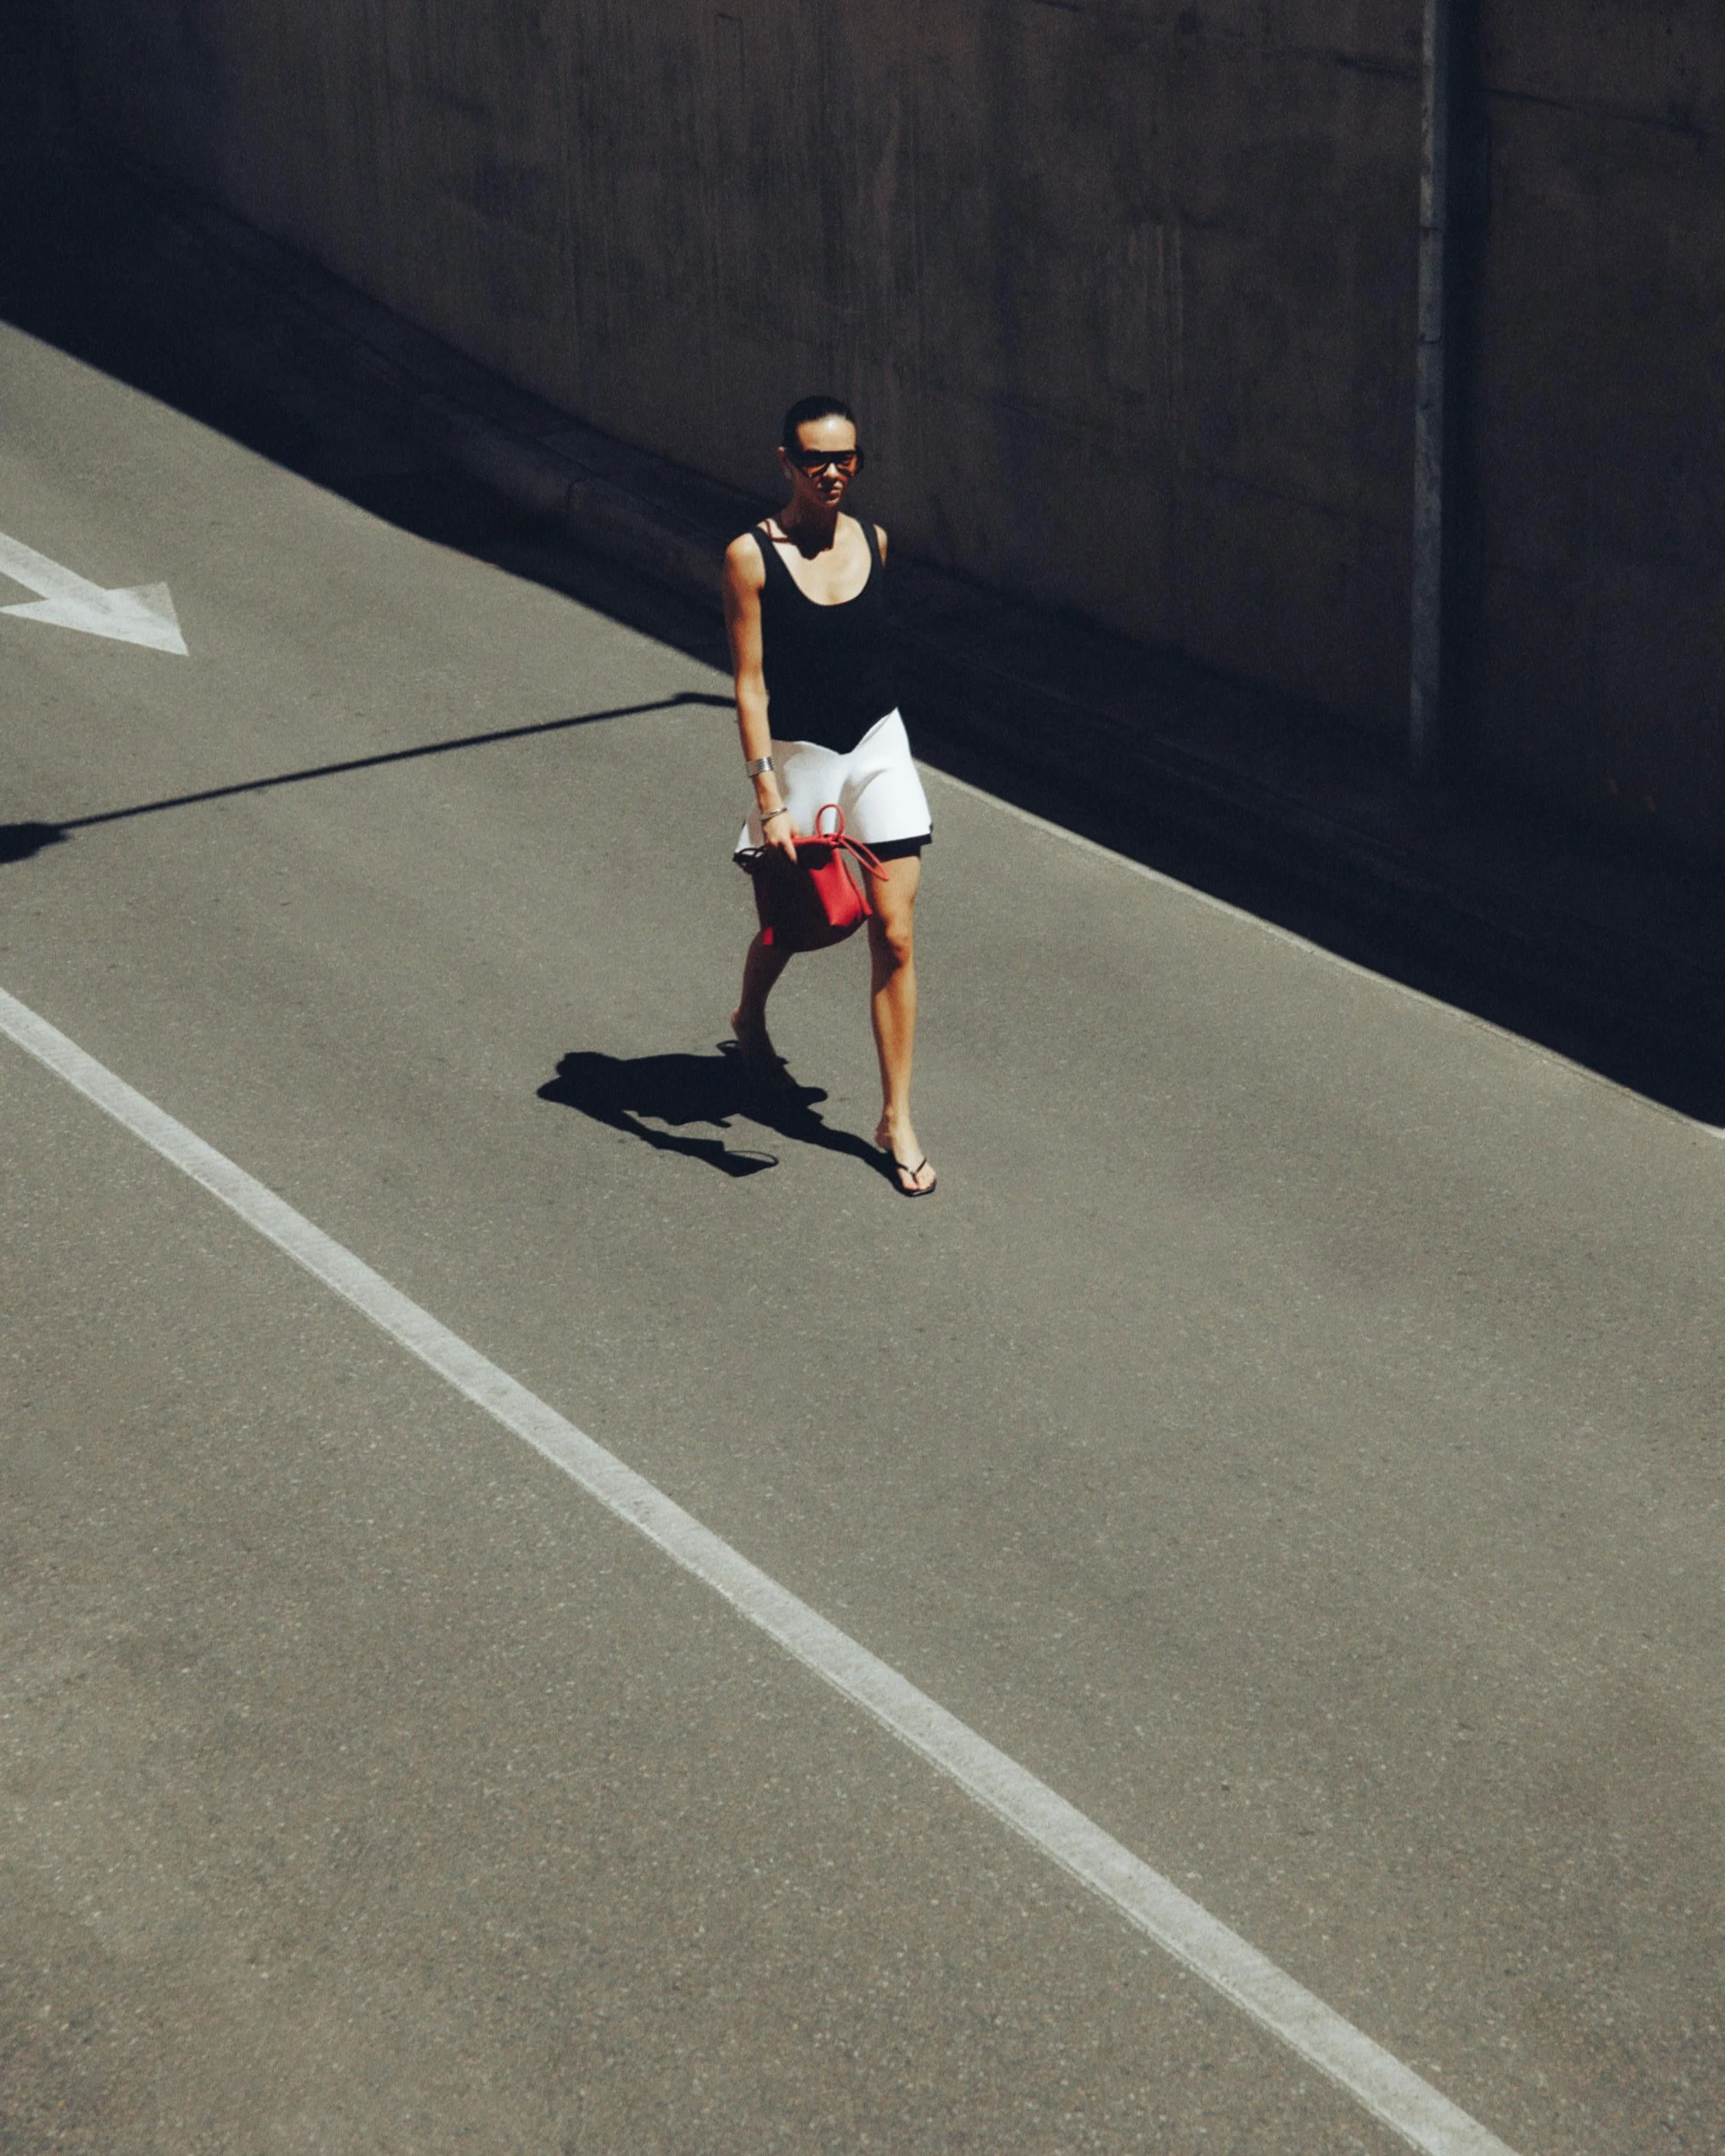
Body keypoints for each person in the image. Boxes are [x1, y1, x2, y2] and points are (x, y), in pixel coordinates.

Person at [722, 395, 936, 1197]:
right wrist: (769, 795)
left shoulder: (876, 542)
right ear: (786, 461)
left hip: (878, 747)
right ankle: (748, 1020)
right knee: (797, 925)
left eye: (846, 457)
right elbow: (749, 687)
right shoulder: (750, 555)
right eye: (816, 458)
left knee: (896, 933)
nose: (833, 471)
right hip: (800, 762)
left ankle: (896, 1117)